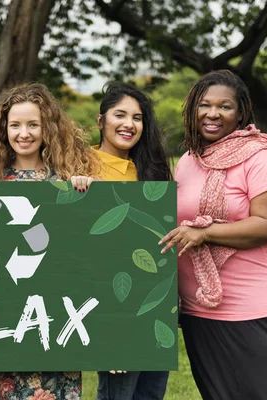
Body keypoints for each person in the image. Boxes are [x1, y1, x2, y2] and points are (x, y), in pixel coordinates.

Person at [159, 70, 267, 400]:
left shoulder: (260, 158)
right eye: (204, 105)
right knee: (221, 393)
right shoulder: (189, 160)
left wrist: (206, 233)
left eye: (224, 106)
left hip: (252, 301)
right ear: (192, 109)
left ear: (240, 113)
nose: (212, 113)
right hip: (200, 306)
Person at [0, 82, 101, 399]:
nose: (23, 133)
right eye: (15, 125)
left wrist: (86, 191)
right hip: (3, 322)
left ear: (47, 128)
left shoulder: (64, 185)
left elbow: (83, 247)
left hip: (53, 323)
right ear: (4, 129)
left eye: (32, 125)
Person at [93, 82, 172, 399]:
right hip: (111, 304)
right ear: (101, 121)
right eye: (120, 115)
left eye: (137, 118)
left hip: (152, 303)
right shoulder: (80, 167)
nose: (128, 124)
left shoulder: (151, 174)